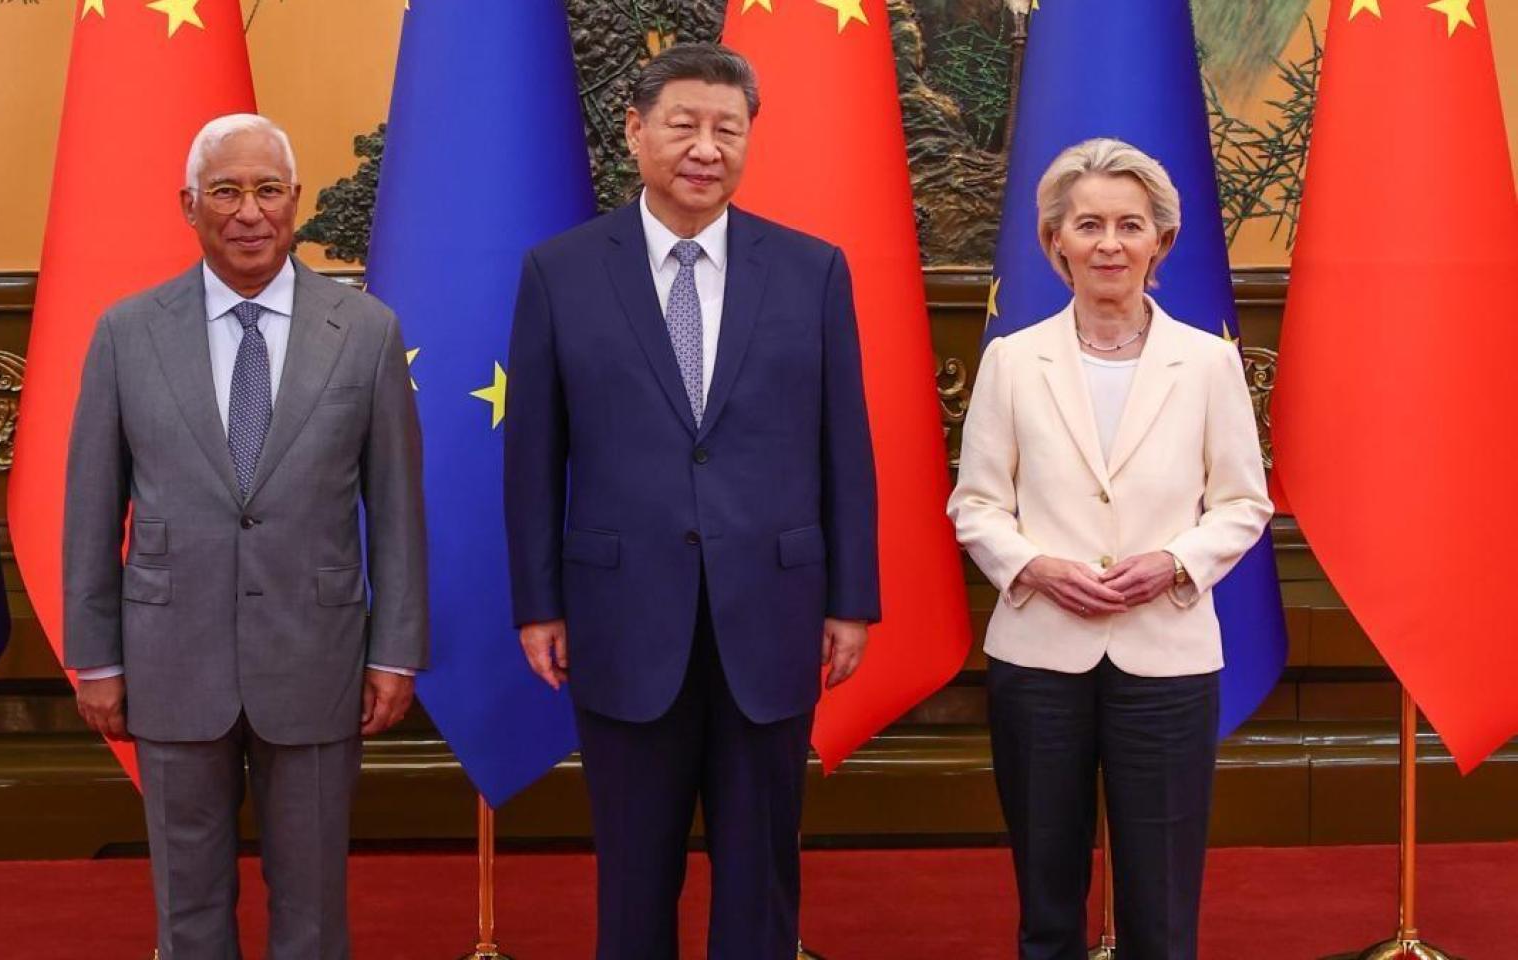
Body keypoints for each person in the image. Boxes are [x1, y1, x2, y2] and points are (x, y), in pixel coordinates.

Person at [503, 42, 879, 960]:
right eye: (684, 125)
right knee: (635, 875)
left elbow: (846, 445)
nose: (705, 147)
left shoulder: (812, 270)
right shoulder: (561, 270)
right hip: (622, 613)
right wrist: (539, 602)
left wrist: (851, 601)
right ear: (635, 132)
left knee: (760, 877)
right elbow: (533, 453)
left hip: (774, 611)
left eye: (727, 129)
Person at [62, 113, 428, 960]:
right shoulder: (127, 332)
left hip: (317, 656)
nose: (249, 211)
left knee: (313, 906)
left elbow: (398, 505)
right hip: (169, 659)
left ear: (295, 201)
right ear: (188, 205)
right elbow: (90, 507)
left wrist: (395, 652)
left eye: (268, 189)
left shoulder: (366, 331)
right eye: (226, 190)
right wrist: (99, 658)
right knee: (188, 907)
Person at [947, 137, 1272, 960]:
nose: (1109, 243)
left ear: (1161, 241)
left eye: (1131, 225)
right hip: (1039, 661)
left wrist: (1175, 562)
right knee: (1047, 904)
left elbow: (1243, 502)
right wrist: (1033, 565)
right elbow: (976, 503)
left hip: (1165, 659)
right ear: (1054, 239)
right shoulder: (1012, 361)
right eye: (1087, 223)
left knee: (1160, 912)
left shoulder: (1205, 362)